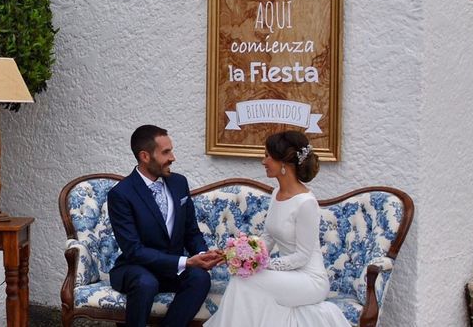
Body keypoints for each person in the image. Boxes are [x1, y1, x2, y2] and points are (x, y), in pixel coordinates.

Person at [204, 131, 350, 327]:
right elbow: (267, 238)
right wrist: (238, 254)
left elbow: (302, 256)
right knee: (242, 276)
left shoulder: (306, 203)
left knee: (244, 281)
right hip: (288, 275)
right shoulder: (276, 194)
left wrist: (262, 264)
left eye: (267, 156)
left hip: (310, 279)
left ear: (284, 163)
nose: (263, 161)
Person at [108, 125, 224, 326]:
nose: (173, 157)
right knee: (146, 283)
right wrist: (185, 262)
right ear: (145, 156)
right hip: (136, 268)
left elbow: (191, 231)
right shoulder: (121, 194)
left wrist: (204, 254)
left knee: (200, 278)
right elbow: (134, 251)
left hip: (171, 270)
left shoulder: (179, 183)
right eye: (166, 152)